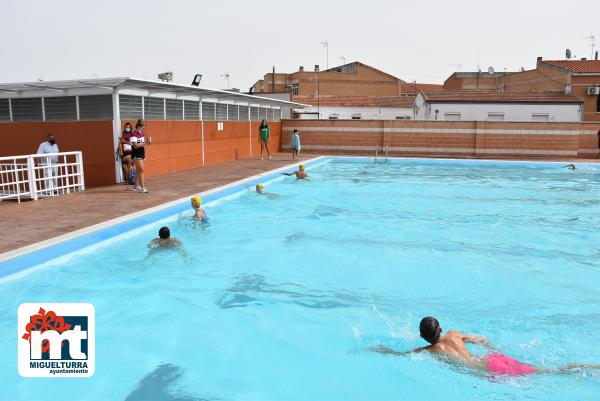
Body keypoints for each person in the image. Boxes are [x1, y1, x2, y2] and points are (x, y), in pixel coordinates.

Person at [372, 317, 600, 376]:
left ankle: (591, 367)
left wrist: (381, 350)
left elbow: (403, 355)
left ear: (423, 338)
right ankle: (590, 365)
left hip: (490, 371)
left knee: (551, 373)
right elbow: (479, 338)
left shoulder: (431, 351)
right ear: (440, 329)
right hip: (493, 360)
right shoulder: (453, 334)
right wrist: (493, 348)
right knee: (548, 370)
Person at [131, 119, 151, 193]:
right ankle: (142, 187)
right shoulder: (133, 134)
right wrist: (144, 142)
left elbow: (142, 144)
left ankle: (136, 186)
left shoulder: (141, 134)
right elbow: (135, 146)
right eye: (143, 127)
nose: (143, 129)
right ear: (139, 126)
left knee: (138, 170)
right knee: (141, 169)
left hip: (141, 153)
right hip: (136, 154)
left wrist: (147, 143)